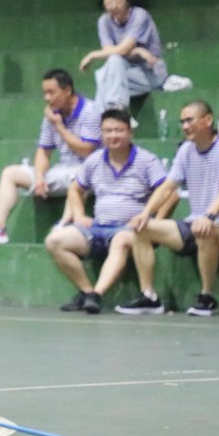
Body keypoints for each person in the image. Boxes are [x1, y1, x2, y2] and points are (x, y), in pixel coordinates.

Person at [117, 100, 219, 316]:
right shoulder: (186, 150)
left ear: (208, 120)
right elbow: (168, 187)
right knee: (142, 228)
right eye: (182, 122)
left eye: (189, 120)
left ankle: (207, 297)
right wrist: (145, 214)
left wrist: (209, 216)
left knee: (205, 230)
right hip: (195, 222)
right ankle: (149, 297)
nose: (185, 126)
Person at [45, 108, 169, 314]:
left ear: (130, 132)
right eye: (108, 131)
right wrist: (79, 215)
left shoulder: (147, 160)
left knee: (120, 240)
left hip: (129, 230)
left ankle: (97, 294)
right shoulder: (94, 160)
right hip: (97, 227)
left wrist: (153, 221)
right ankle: (87, 292)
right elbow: (75, 189)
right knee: (54, 241)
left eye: (119, 130)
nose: (113, 136)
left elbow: (168, 191)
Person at [0, 68, 101, 244]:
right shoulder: (52, 114)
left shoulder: (90, 111)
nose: (47, 98)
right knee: (11, 173)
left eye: (51, 92)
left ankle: (65, 225)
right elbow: (44, 151)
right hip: (63, 171)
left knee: (81, 175)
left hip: (90, 172)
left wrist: (59, 127)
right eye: (44, 93)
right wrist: (40, 177)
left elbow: (86, 150)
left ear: (67, 91)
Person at [80, 0, 167, 110]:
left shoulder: (140, 16)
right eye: (109, 3)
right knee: (112, 63)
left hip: (150, 72)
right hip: (124, 74)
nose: (113, 6)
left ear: (127, 2)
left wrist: (92, 55)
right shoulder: (104, 21)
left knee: (104, 76)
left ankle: (112, 112)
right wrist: (137, 51)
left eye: (117, 2)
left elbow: (122, 50)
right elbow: (110, 53)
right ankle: (116, 107)